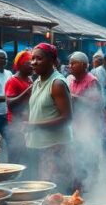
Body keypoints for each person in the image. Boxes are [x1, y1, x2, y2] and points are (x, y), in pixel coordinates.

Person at [26, 44, 73, 190]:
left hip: (55, 148)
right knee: (41, 190)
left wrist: (35, 126)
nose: (33, 62)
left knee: (54, 193)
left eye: (39, 58)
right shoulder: (37, 82)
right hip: (39, 146)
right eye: (32, 58)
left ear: (52, 60)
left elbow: (67, 118)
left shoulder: (57, 83)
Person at [67, 52, 102, 192]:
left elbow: (98, 105)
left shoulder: (92, 81)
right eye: (69, 63)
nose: (70, 66)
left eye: (73, 63)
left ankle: (90, 186)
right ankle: (78, 184)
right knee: (75, 155)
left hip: (89, 126)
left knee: (88, 155)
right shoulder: (70, 79)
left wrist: (75, 98)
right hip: (74, 125)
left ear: (83, 65)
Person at [4, 51, 34, 169]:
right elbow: (10, 104)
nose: (32, 65)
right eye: (28, 63)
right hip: (16, 125)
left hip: (27, 124)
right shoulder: (13, 81)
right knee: (15, 158)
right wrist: (27, 92)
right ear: (20, 65)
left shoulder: (29, 79)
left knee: (26, 157)